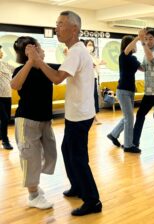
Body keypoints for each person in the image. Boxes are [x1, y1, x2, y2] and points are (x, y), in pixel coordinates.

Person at [26, 11, 101, 216]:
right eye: (56, 24)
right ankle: (77, 186)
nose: (57, 28)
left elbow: (58, 78)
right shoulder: (74, 51)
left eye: (61, 24)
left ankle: (93, 201)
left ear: (74, 29)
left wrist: (36, 60)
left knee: (77, 157)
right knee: (68, 150)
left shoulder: (77, 51)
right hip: (76, 114)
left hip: (80, 115)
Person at [11, 36, 58, 209]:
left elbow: (61, 74)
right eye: (39, 47)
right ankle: (33, 195)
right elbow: (15, 85)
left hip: (45, 120)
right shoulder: (21, 70)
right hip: (27, 120)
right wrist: (31, 62)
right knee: (30, 157)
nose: (43, 50)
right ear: (31, 51)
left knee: (50, 153)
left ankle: (34, 184)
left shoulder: (48, 68)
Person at [107, 33, 143, 153]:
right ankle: (128, 145)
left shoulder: (133, 59)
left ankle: (113, 134)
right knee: (129, 117)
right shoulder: (123, 56)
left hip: (130, 90)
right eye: (134, 43)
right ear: (129, 45)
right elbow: (127, 50)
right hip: (122, 91)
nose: (136, 45)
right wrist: (138, 38)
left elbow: (143, 69)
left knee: (127, 117)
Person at [84, 39, 105, 125]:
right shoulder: (84, 55)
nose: (91, 46)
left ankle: (93, 118)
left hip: (93, 78)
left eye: (92, 45)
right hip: (86, 79)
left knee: (92, 99)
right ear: (85, 46)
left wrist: (99, 63)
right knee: (88, 99)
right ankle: (92, 118)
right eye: (89, 44)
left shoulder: (92, 56)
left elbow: (98, 63)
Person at [0, 44, 14, 149]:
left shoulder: (5, 64)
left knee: (7, 118)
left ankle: (1, 135)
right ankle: (5, 140)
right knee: (4, 118)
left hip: (7, 96)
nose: (1, 51)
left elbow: (17, 70)